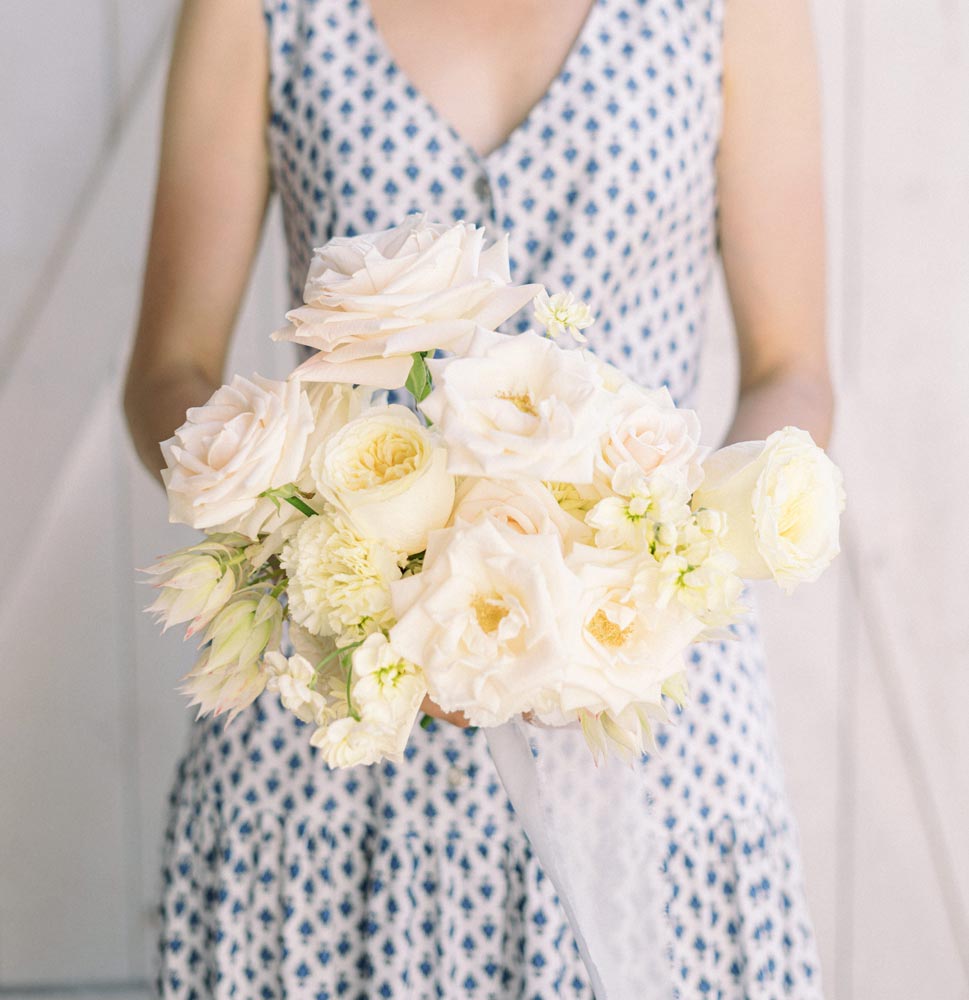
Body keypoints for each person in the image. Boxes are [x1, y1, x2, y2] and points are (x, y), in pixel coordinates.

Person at [124, 0, 833, 995]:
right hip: (332, 727)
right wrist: (338, 555)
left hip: (653, 719)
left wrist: (657, 566)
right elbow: (170, 369)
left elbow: (793, 368)